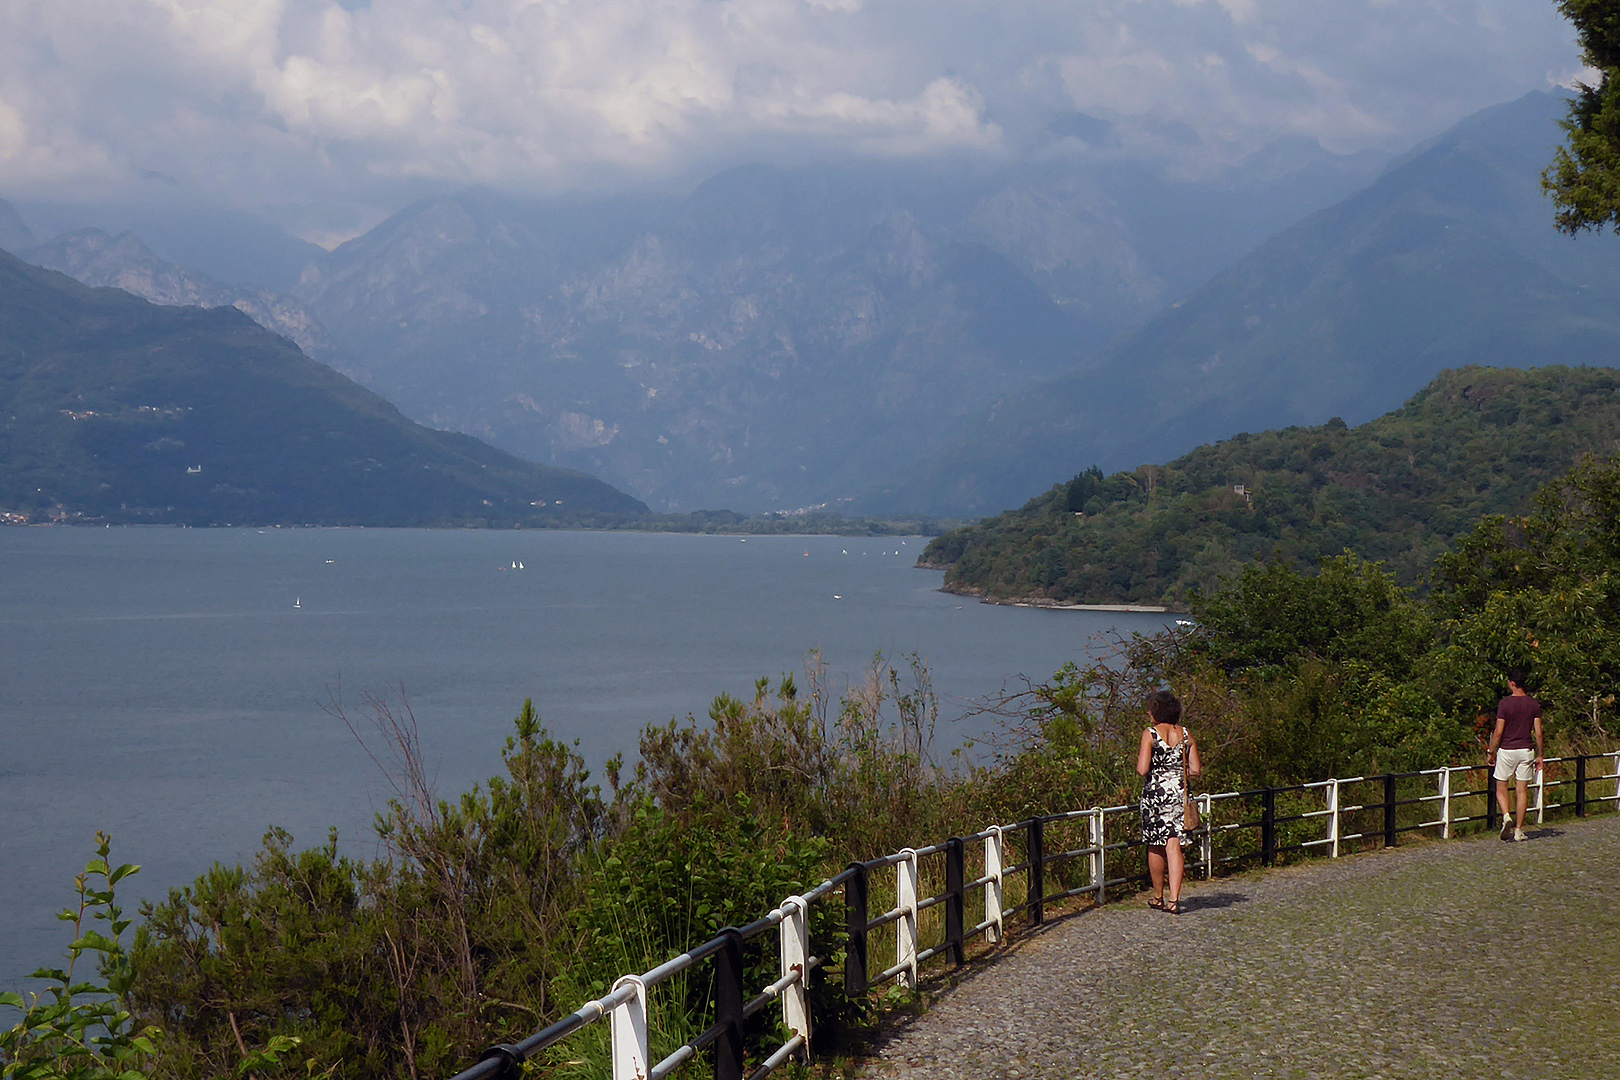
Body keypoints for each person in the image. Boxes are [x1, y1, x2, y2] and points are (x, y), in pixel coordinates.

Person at [1136, 688, 1200, 913]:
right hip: (1180, 793)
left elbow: (1143, 769)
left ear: (1156, 712)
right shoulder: (1185, 734)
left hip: (1156, 794)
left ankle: (1157, 896)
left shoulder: (1150, 734)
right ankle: (1174, 900)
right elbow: (1195, 769)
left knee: (1155, 844)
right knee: (1175, 846)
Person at [1486, 669, 1544, 842]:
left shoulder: (1505, 704)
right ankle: (1519, 829)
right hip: (1526, 750)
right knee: (1522, 791)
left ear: (1511, 682)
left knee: (1501, 786)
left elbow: (1498, 731)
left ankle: (1506, 815)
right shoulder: (1533, 704)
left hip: (1507, 749)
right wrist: (1540, 755)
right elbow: (1539, 733)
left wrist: (1491, 751)